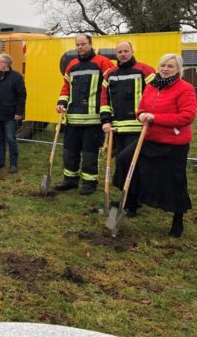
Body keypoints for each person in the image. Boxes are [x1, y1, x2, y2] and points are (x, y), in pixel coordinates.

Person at [114, 54, 196, 238]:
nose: (165, 69)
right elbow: (141, 108)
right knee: (125, 161)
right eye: (162, 65)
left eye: (170, 66)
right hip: (149, 139)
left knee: (174, 181)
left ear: (179, 69)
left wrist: (156, 118)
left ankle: (177, 219)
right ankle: (132, 202)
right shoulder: (152, 86)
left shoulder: (185, 88)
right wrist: (142, 115)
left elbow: (187, 117)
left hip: (173, 144)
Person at [100, 41, 155, 215]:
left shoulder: (146, 71)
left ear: (132, 51)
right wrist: (106, 120)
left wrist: (149, 117)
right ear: (116, 54)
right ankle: (128, 198)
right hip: (118, 129)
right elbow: (104, 100)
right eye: (120, 51)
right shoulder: (110, 74)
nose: (123, 54)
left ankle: (133, 202)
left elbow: (155, 97)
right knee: (122, 164)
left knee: (132, 165)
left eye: (126, 51)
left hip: (138, 128)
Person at [55, 34, 114, 195]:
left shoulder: (102, 62)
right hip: (73, 119)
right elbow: (66, 87)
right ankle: (70, 180)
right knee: (69, 151)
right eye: (78, 44)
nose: (80, 47)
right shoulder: (72, 65)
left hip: (94, 120)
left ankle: (89, 183)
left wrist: (106, 114)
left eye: (83, 44)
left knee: (89, 153)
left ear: (90, 44)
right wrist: (61, 103)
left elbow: (111, 87)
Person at [0, 52, 26, 173]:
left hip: (10, 114)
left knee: (11, 138)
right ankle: (0, 161)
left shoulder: (17, 77)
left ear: (6, 63)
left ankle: (13, 164)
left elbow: (21, 96)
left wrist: (19, 112)